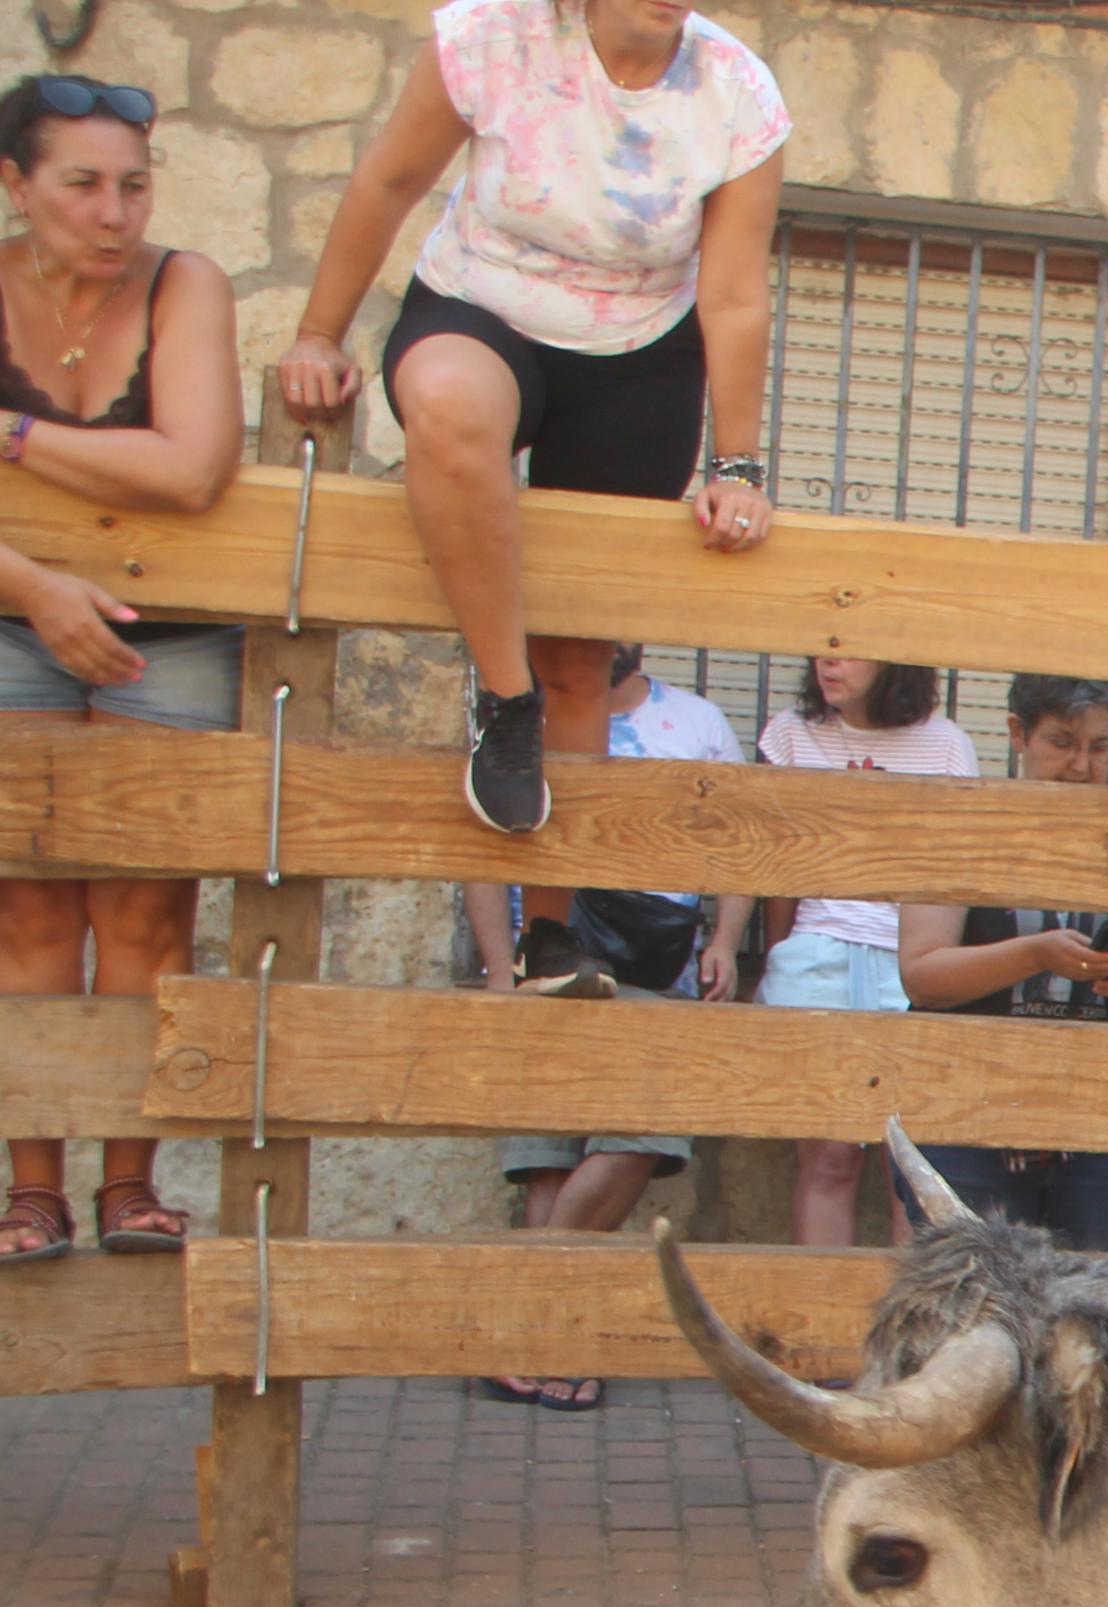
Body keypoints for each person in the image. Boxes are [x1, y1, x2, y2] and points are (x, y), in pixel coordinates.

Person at [274, 0, 785, 833]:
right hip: (482, 307)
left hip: (638, 351)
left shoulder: (739, 93)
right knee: (447, 404)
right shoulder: (489, 35)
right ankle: (508, 699)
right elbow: (390, 179)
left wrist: (737, 470)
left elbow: (732, 295)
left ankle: (552, 934)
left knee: (581, 659)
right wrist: (317, 333)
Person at [0, 73, 237, 1269]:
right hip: (5, 615)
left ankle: (131, 1187)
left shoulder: (185, 282)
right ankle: (32, 1189)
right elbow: (145, 459)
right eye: (83, 184)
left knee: (148, 909)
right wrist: (36, 585)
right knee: (25, 905)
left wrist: (17, 439)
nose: (114, 211)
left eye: (134, 185)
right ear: (14, 183)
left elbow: (193, 471)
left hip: (174, 621)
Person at [460, 644, 739, 1405]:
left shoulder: (699, 722)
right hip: (541, 957)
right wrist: (495, 963)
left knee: (639, 1137)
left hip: (657, 969)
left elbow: (734, 844)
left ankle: (515, 1323)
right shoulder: (517, 713)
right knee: (549, 1160)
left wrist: (723, 940)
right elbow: (483, 848)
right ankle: (558, 1340)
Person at [893, 674, 1108, 1249]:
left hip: (1098, 1119)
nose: (1081, 766)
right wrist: (1035, 953)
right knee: (976, 1297)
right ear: (1018, 734)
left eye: (1100, 748)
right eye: (1062, 743)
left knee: (1083, 1303)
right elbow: (922, 977)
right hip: (969, 1107)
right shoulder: (965, 829)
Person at [715, 656, 975, 1244]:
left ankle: (908, 1329)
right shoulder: (790, 733)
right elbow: (769, 860)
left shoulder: (947, 746)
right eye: (822, 645)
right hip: (817, 956)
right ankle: (821, 1323)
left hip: (906, 965)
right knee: (828, 1160)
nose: (829, 659)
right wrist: (758, 955)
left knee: (909, 1174)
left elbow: (952, 878)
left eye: (852, 647)